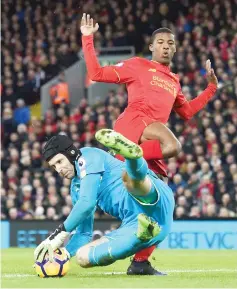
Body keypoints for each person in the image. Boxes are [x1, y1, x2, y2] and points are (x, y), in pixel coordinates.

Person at [80, 13, 218, 274]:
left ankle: (140, 264)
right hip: (135, 122)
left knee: (161, 208)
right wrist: (88, 38)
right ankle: (129, 151)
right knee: (174, 146)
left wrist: (211, 88)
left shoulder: (173, 81)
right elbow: (96, 73)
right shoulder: (137, 65)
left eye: (171, 43)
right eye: (162, 42)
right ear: (152, 47)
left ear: (175, 48)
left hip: (150, 140)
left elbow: (186, 112)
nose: (166, 46)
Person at [34, 132, 174, 274]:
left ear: (70, 153)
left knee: (129, 180)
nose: (58, 170)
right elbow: (84, 233)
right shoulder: (77, 189)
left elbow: (87, 203)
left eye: (59, 162)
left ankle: (133, 157)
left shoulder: (87, 156)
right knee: (83, 258)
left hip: (153, 199)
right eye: (53, 166)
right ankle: (141, 236)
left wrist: (59, 234)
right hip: (138, 225)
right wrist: (65, 254)